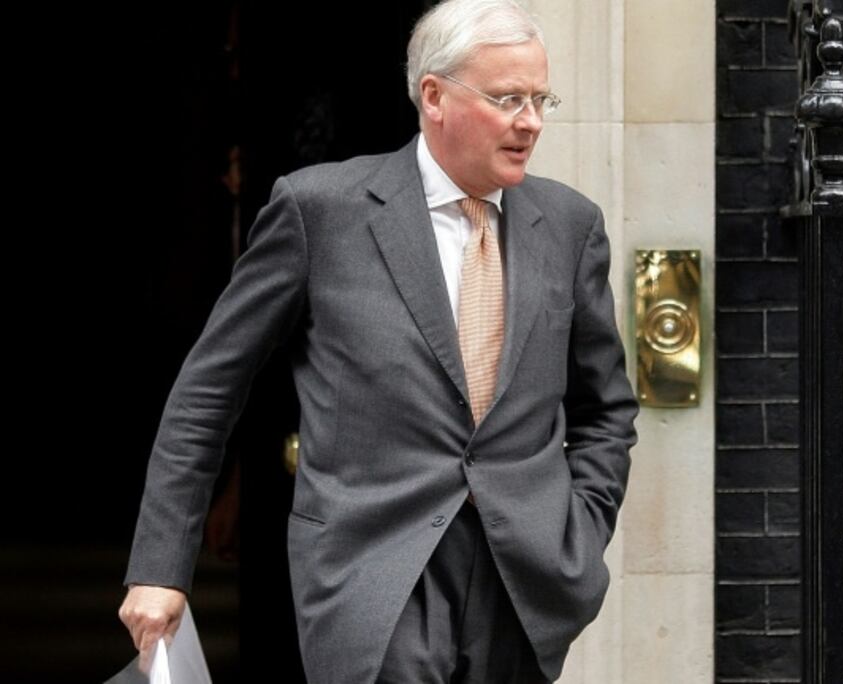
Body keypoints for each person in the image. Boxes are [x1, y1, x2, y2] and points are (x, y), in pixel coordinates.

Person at [117, 0, 639, 681]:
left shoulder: (570, 224)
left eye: (542, 99)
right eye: (509, 98)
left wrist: (581, 528)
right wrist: (161, 567)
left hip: (525, 578)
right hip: (373, 575)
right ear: (434, 96)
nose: (531, 121)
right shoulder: (321, 212)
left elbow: (606, 408)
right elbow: (208, 390)